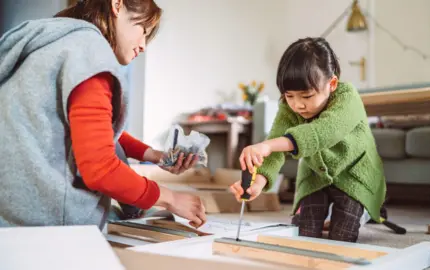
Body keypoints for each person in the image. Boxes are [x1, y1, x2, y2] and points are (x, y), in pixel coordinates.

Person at [0, 0, 207, 229]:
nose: (143, 45)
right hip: (46, 227)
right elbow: (100, 169)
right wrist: (170, 198)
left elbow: (92, 131)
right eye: (143, 30)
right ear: (117, 5)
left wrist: (155, 156)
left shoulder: (51, 43)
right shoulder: (90, 52)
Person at [230, 37, 386, 242]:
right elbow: (276, 148)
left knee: (341, 237)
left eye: (306, 96)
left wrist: (267, 145)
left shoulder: (348, 97)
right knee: (304, 233)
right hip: (315, 178)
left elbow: (323, 132)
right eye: (290, 96)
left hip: (354, 175)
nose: (298, 105)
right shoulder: (289, 108)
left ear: (332, 84)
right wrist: (257, 183)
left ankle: (363, 210)